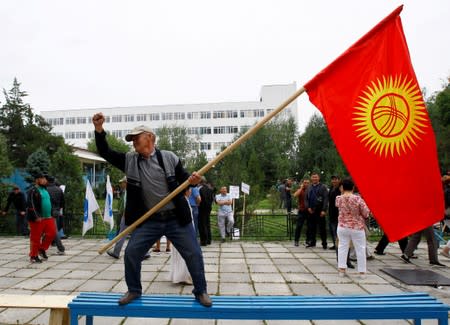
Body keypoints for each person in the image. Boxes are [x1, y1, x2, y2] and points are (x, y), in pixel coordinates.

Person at [93, 113, 211, 307]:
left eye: (136, 138)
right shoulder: (130, 160)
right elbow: (106, 152)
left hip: (176, 219)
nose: (133, 143)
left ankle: (201, 291)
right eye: (131, 140)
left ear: (150, 137)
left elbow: (184, 179)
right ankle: (134, 290)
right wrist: (99, 130)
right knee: (131, 253)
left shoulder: (169, 158)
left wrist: (193, 180)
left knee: (193, 253)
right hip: (149, 220)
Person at [107, 177, 150, 260]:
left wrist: (125, 214)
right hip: (137, 214)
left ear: (126, 183)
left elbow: (128, 204)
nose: (121, 184)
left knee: (122, 234)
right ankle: (145, 252)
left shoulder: (129, 191)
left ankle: (116, 252)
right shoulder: (136, 189)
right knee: (139, 234)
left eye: (122, 182)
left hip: (129, 214)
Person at [336, 178, 370, 278]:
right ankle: (362, 272)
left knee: (342, 247)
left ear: (342, 187)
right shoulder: (358, 199)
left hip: (342, 226)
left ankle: (342, 270)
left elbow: (339, 206)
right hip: (357, 227)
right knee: (360, 248)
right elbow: (366, 213)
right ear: (353, 187)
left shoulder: (338, 198)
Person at [26, 172, 57, 263]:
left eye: (45, 179)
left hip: (48, 217)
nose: (45, 180)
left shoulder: (45, 190)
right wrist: (36, 216)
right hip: (38, 218)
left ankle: (42, 249)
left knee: (51, 233)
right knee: (35, 238)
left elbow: (49, 203)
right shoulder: (33, 190)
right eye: (43, 178)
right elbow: (31, 205)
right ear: (37, 180)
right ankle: (33, 256)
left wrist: (52, 213)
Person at [170, 187, 194, 284]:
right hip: (183, 233)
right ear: (186, 191)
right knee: (184, 255)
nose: (190, 192)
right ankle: (183, 276)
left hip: (181, 232)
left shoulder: (183, 200)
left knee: (180, 255)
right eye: (189, 190)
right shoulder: (183, 201)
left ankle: (180, 275)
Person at [304, 173, 329, 249]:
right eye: (313, 177)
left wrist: (324, 210)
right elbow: (306, 198)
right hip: (311, 210)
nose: (314, 178)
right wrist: (308, 207)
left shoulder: (323, 187)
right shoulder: (309, 187)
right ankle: (312, 242)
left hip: (320, 210)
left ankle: (324, 243)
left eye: (316, 177)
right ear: (311, 178)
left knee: (322, 228)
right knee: (311, 228)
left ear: (319, 178)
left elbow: (325, 199)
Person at [46, 175, 65, 255]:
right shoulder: (59, 189)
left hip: (47, 212)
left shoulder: (45, 189)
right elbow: (62, 202)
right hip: (56, 212)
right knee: (51, 229)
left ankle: (61, 248)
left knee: (53, 230)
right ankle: (48, 245)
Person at [293, 178, 310, 246]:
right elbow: (295, 195)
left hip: (309, 210)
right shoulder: (300, 190)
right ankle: (296, 240)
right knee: (299, 226)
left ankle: (308, 240)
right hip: (302, 210)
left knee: (309, 226)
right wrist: (301, 188)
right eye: (305, 183)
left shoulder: (310, 190)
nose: (306, 184)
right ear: (302, 183)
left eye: (307, 183)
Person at [198, 177, 214, 246]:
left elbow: (199, 199)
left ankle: (203, 241)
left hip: (201, 208)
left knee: (202, 224)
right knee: (207, 223)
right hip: (208, 208)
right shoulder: (210, 189)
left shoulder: (200, 189)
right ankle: (209, 240)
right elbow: (212, 199)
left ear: (200, 181)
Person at [327, 176, 340, 250]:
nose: (334, 181)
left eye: (336, 179)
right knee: (332, 230)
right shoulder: (331, 188)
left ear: (339, 180)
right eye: (333, 179)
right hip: (331, 212)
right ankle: (335, 244)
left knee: (336, 230)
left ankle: (338, 245)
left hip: (337, 213)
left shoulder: (340, 189)